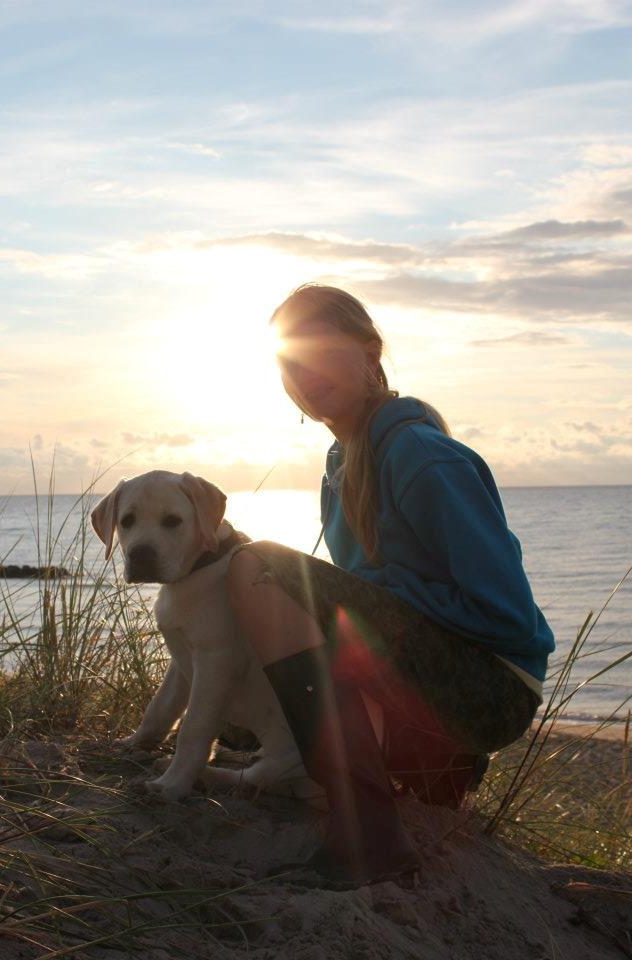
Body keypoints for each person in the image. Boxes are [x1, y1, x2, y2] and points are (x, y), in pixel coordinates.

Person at [226, 283, 555, 888]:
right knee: (257, 575)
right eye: (287, 362)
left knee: (258, 565)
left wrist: (375, 591)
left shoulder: (422, 456)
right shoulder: (341, 464)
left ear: (372, 355)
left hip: (491, 690)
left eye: (321, 349)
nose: (304, 372)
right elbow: (362, 622)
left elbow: (507, 615)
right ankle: (413, 776)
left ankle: (368, 835)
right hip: (431, 698)